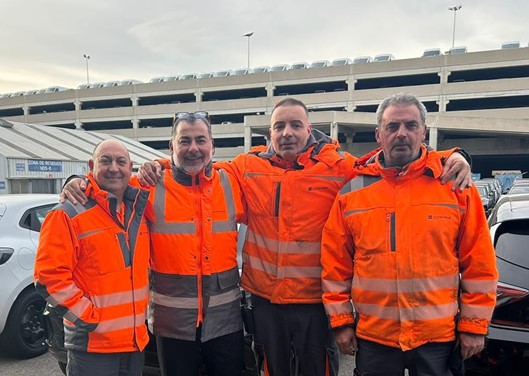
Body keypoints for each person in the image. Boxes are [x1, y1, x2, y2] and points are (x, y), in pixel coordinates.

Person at [137, 98, 472, 376]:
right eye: (279, 126)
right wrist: (157, 164)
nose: (287, 133)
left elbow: (388, 162)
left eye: (296, 125)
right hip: (266, 301)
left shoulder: (337, 166)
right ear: (269, 133)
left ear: (309, 130)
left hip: (315, 303)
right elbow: (196, 168)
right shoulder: (245, 167)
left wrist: (450, 157)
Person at [320, 92, 498, 376]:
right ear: (379, 134)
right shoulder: (351, 193)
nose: (401, 133)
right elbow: (335, 267)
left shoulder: (454, 187)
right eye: (392, 126)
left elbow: (479, 264)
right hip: (375, 338)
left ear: (423, 132)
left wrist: (474, 326)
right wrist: (341, 323)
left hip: (437, 339)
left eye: (410, 125)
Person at [61, 112, 246, 376]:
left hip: (225, 322)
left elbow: (268, 163)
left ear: (212, 146)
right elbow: (105, 184)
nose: (193, 148)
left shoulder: (231, 182)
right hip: (172, 325)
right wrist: (75, 182)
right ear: (172, 147)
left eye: (200, 140)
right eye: (184, 141)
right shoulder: (148, 186)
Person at [34, 139, 151, 376]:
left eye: (121, 162)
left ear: (131, 168)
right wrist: (89, 320)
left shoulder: (136, 211)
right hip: (92, 348)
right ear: (91, 165)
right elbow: (48, 278)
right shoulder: (67, 214)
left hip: (134, 345)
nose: (114, 168)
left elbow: (177, 165)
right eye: (105, 161)